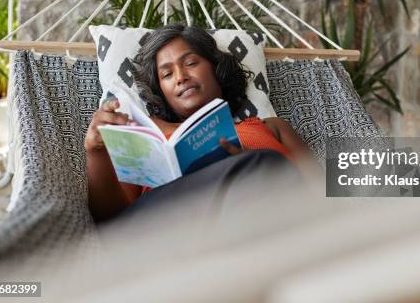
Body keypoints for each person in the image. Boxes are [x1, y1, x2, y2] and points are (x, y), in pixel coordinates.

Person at [85, 24, 314, 222]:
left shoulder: (272, 127)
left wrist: (241, 167)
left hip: (265, 218)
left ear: (215, 68)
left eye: (191, 63)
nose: (180, 77)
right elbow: (112, 220)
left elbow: (321, 193)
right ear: (160, 91)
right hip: (168, 226)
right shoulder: (142, 134)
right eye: (167, 74)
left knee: (267, 165)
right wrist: (95, 153)